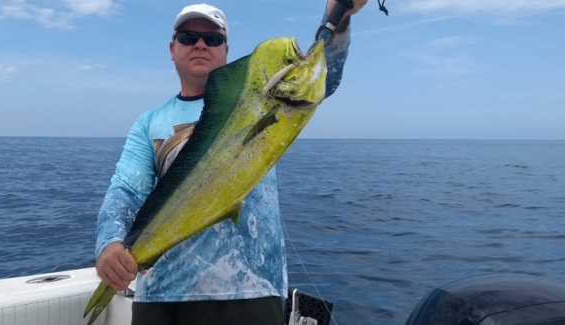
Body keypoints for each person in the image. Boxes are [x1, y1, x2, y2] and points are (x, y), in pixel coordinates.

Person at [94, 1, 367, 324]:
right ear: (172, 48)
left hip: (252, 290)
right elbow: (126, 190)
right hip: (162, 295)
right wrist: (110, 241)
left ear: (226, 49)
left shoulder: (260, 100)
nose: (199, 44)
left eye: (212, 39)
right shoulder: (149, 122)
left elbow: (325, 74)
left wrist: (338, 16)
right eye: (187, 37)